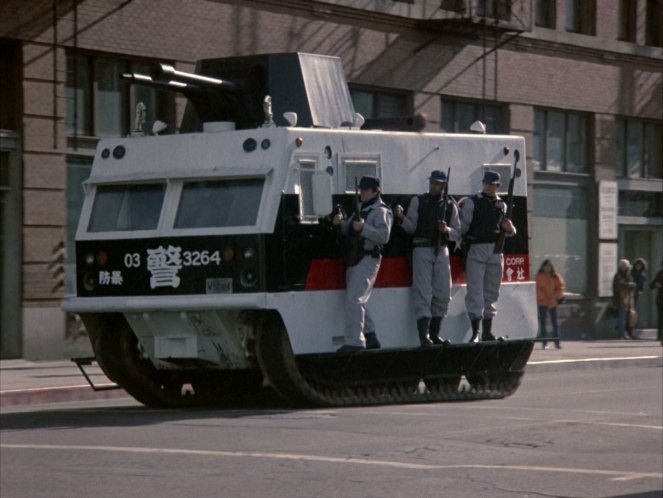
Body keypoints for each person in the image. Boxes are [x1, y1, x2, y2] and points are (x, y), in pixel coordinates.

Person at [394, 170, 461, 346]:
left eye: (437, 183)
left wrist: (446, 230)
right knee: (423, 292)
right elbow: (411, 227)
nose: (433, 186)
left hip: (442, 249)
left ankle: (434, 333)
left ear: (444, 186)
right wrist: (401, 218)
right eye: (432, 182)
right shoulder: (419, 201)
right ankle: (424, 337)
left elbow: (457, 233)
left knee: (443, 293)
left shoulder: (450, 206)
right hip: (422, 247)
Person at [333, 176, 393, 352]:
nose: (362, 192)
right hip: (355, 257)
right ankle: (370, 336)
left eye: (366, 189)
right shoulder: (361, 207)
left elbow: (384, 236)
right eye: (361, 189)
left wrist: (364, 228)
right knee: (356, 299)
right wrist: (340, 223)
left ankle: (355, 342)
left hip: (368, 257)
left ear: (376, 191)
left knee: (355, 299)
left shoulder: (381, 211)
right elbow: (349, 228)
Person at [459, 170, 516, 342]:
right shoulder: (472, 202)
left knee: (491, 292)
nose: (489, 187)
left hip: (495, 250)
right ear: (483, 183)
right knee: (475, 291)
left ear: (498, 186)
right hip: (476, 247)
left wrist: (509, 228)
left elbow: (510, 232)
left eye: (493, 184)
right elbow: (463, 227)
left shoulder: (502, 205)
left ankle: (486, 331)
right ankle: (476, 332)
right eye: (487, 183)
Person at [535, 259, 565, 349]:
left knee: (555, 323)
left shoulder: (555, 276)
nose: (547, 268)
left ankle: (557, 342)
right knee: (543, 323)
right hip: (543, 302)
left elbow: (560, 287)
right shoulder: (539, 276)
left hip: (552, 301)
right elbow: (537, 289)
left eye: (549, 266)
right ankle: (544, 342)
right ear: (543, 267)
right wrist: (542, 297)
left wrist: (556, 297)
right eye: (545, 266)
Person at [612, 259, 636, 340]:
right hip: (621, 299)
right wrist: (629, 285)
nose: (627, 269)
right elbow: (619, 286)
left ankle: (622, 332)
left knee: (624, 316)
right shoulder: (619, 275)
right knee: (622, 316)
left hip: (626, 298)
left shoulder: (627, 275)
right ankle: (621, 333)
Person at [650, 260, 663, 342]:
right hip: (661, 299)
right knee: (661, 318)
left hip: (660, 298)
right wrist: (657, 285)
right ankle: (660, 336)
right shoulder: (660, 274)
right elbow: (651, 285)